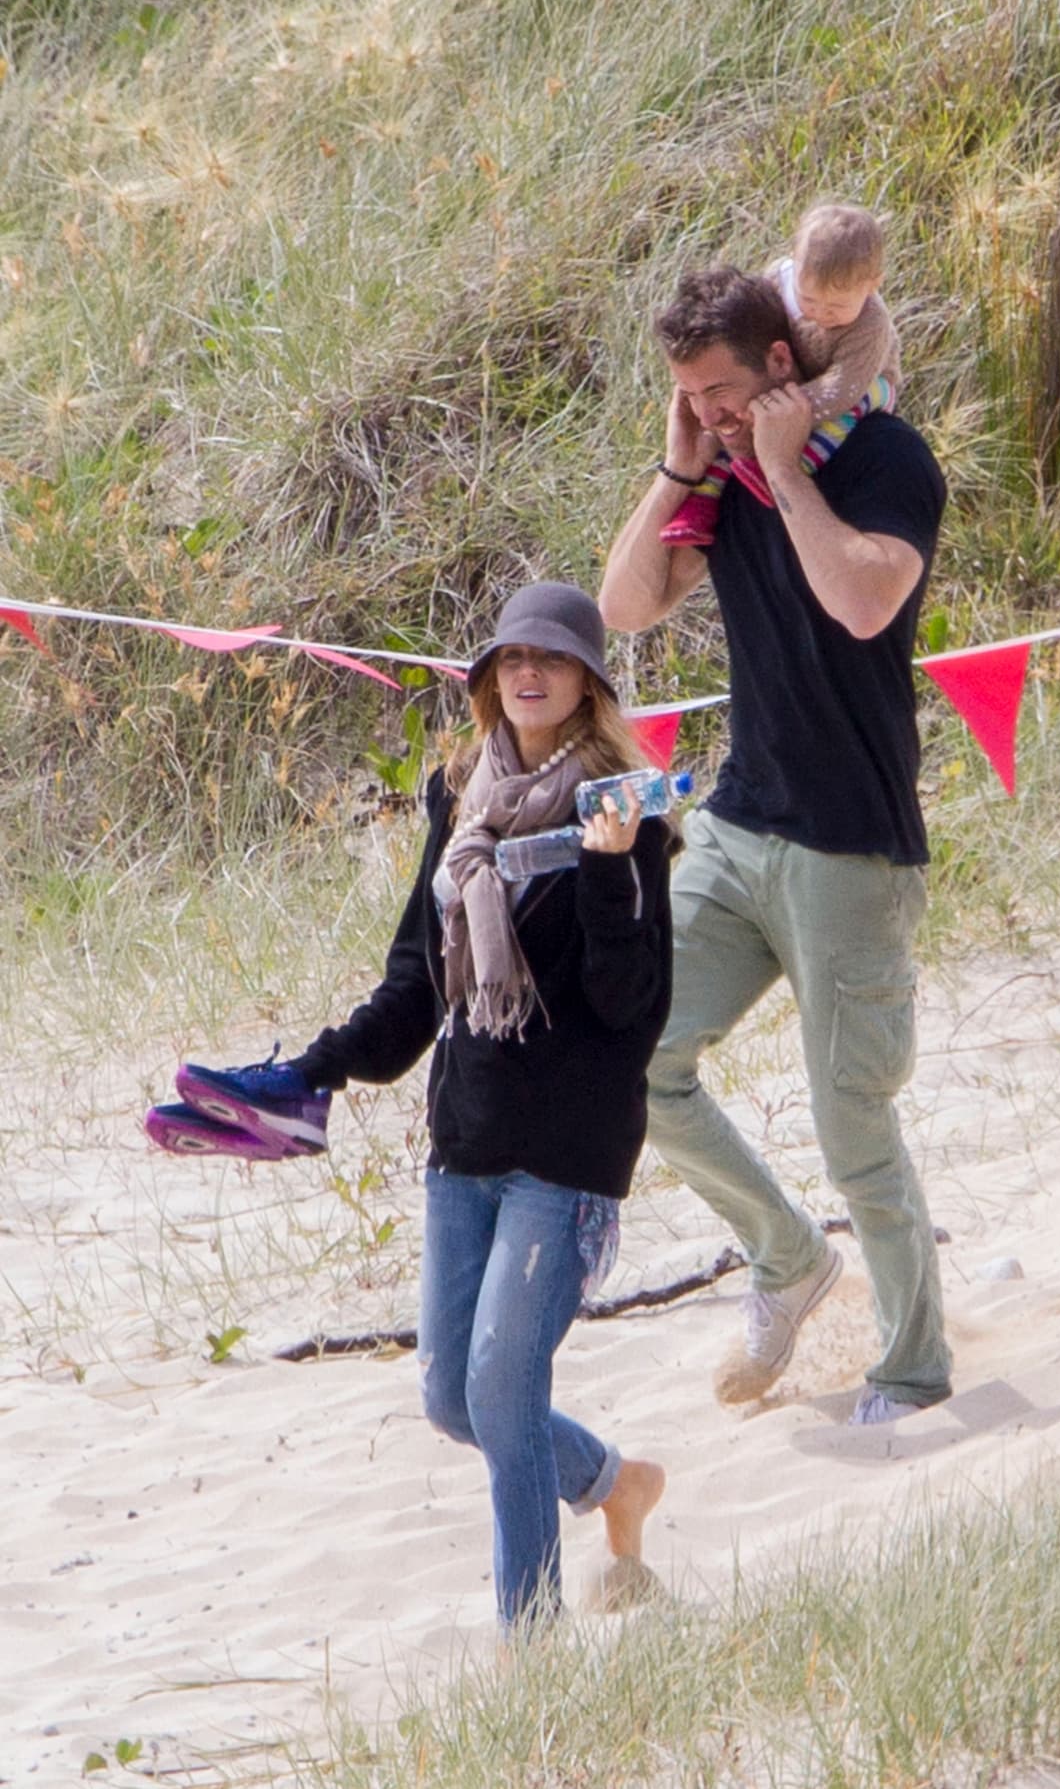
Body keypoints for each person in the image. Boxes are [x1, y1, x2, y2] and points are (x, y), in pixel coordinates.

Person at [166, 582, 674, 1635]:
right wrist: (313, 1071)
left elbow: (633, 1008)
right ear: (489, 681)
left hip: (567, 1150)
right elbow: (415, 980)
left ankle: (527, 1647)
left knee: (500, 1385)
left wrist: (609, 872)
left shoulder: (626, 804)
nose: (525, 673)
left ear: (586, 681)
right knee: (453, 1398)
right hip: (467, 1138)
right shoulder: (463, 798)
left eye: (549, 657)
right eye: (506, 659)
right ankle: (615, 1483)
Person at [600, 266, 952, 1426]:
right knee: (633, 1050)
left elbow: (861, 602)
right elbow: (624, 607)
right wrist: (677, 461)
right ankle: (787, 1257)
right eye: (686, 394)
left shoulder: (884, 461)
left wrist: (789, 471)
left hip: (851, 847)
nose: (708, 411)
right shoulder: (719, 476)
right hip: (740, 824)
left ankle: (908, 1370)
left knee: (854, 1128)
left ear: (782, 368)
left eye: (718, 390)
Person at [660, 204, 902, 548]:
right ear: (794, 263)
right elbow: (752, 320)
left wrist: (785, 412)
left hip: (862, 382)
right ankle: (704, 498)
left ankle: (795, 466)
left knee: (849, 412)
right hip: (800, 371)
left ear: (872, 285)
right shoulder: (778, 278)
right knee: (728, 418)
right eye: (809, 300)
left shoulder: (869, 326)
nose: (819, 314)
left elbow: (842, 387)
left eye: (836, 307)